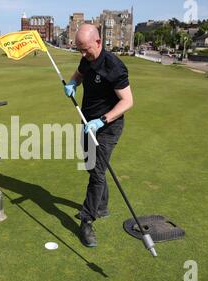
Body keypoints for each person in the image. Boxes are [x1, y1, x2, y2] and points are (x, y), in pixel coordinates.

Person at [64, 24, 134, 247]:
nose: (83, 55)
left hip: (108, 126)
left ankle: (87, 220)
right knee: (91, 167)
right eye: (80, 50)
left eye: (86, 49)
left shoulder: (114, 66)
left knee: (96, 173)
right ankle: (101, 206)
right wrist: (73, 83)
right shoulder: (87, 58)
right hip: (87, 123)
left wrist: (101, 121)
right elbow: (80, 73)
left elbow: (128, 101)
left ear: (98, 42)